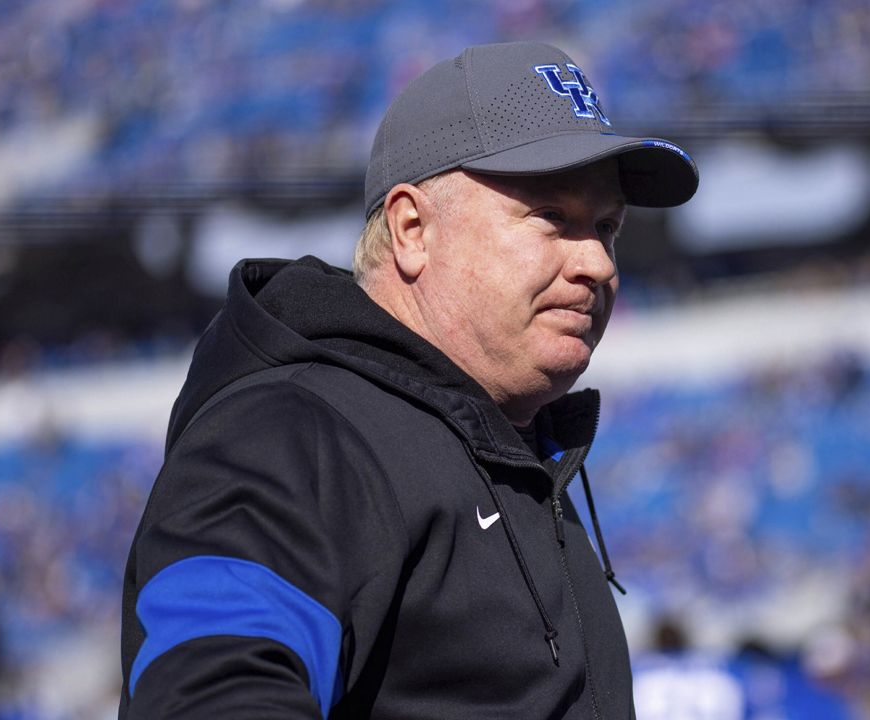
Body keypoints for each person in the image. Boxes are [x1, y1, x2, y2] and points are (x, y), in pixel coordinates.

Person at [119, 41, 697, 718]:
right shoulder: (294, 432)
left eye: (607, 227)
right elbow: (208, 697)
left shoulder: (504, 450)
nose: (597, 263)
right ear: (413, 229)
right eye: (552, 218)